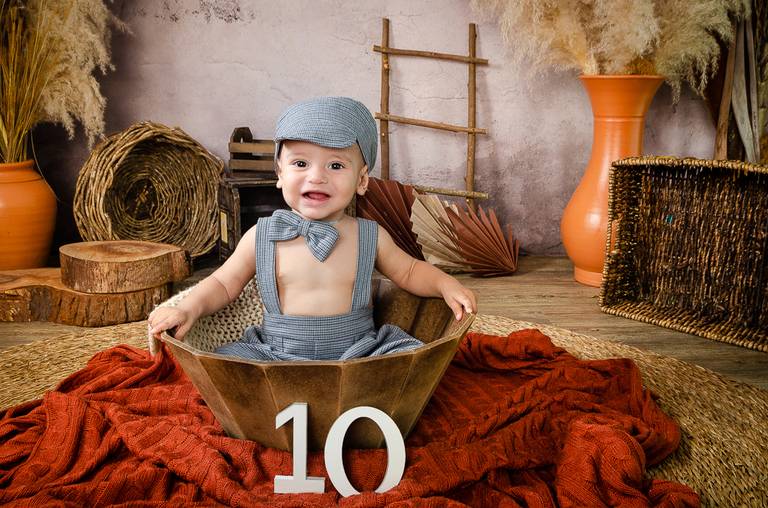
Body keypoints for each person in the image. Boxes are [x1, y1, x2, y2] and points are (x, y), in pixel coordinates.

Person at [148, 96, 476, 361]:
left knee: (409, 359)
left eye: (335, 165)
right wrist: (188, 308)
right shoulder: (262, 236)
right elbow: (222, 283)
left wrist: (445, 284)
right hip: (275, 353)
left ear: (361, 180)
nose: (316, 177)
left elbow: (409, 271)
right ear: (280, 173)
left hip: (358, 351)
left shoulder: (368, 235)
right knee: (228, 365)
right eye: (301, 163)